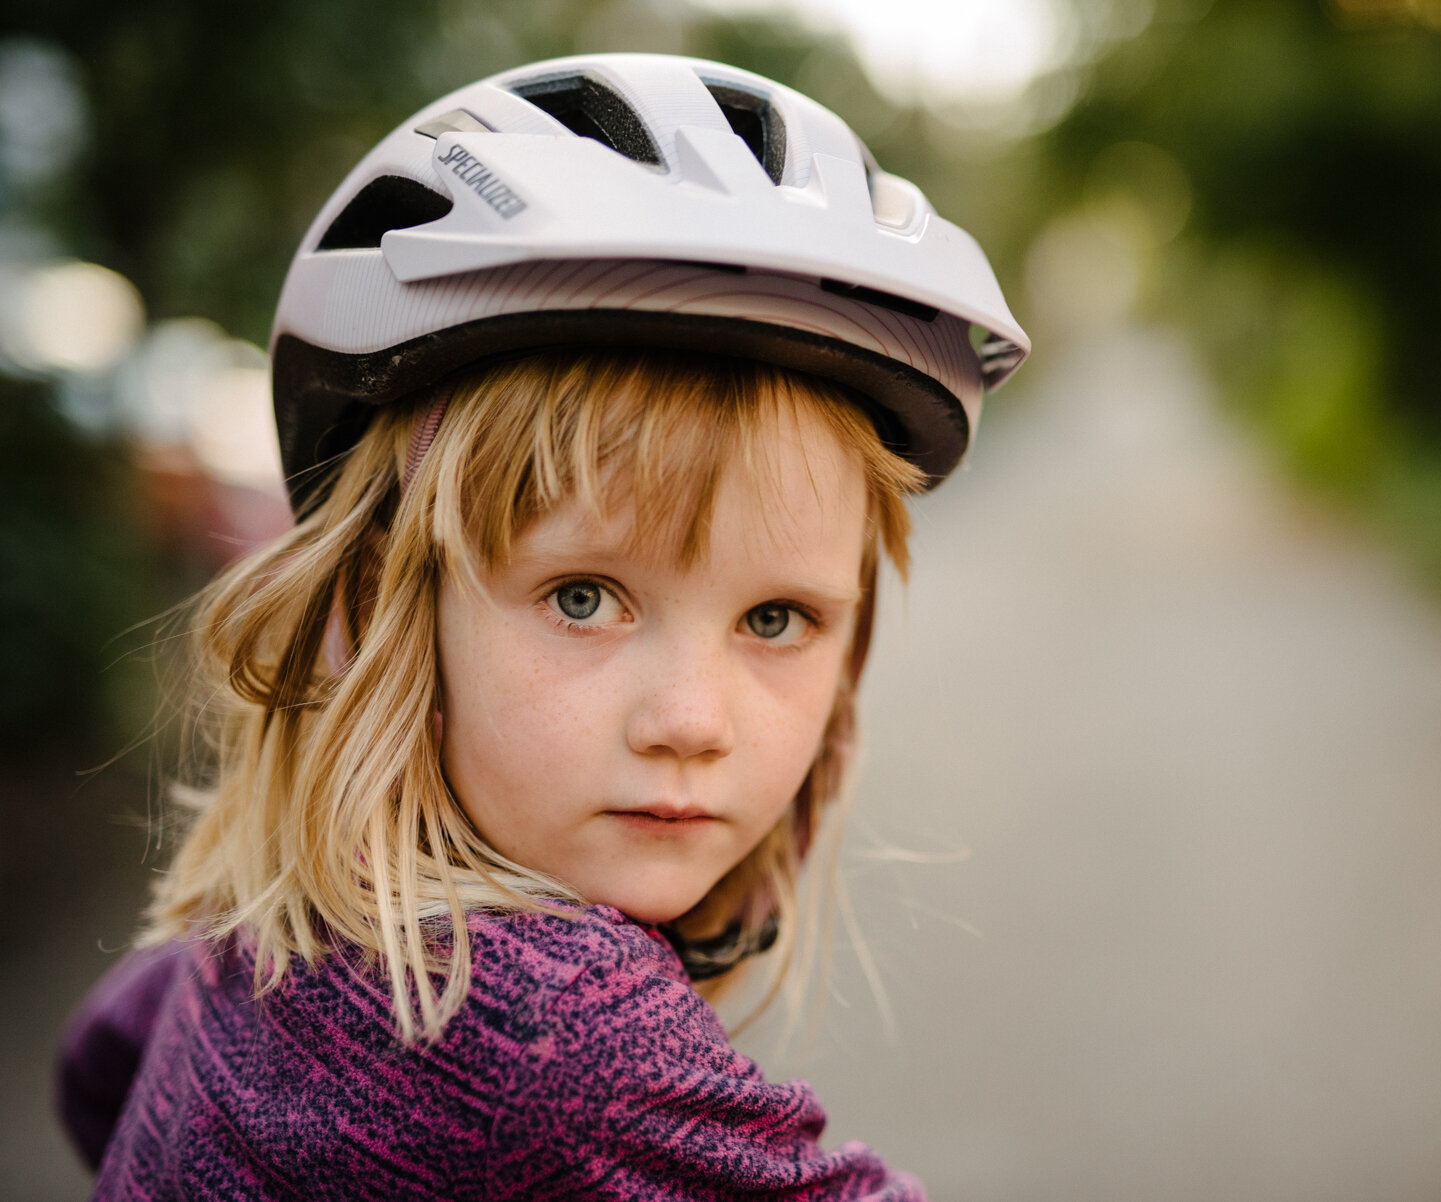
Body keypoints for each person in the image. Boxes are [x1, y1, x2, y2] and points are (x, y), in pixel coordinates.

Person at [55, 52, 1027, 1198]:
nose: (691, 720)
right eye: (583, 598)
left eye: (775, 616)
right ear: (374, 607)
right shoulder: (554, 1034)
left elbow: (97, 1068)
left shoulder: (246, 931)